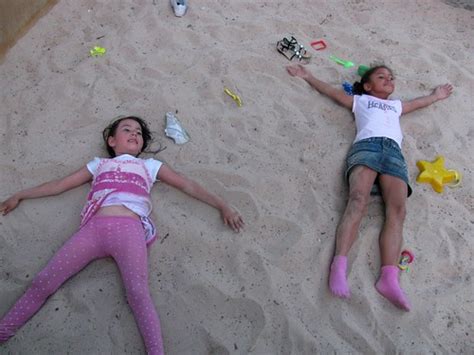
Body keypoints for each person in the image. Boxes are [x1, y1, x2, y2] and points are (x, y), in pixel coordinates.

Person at [0, 116, 244, 354]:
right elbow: (59, 185)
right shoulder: (98, 164)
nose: (134, 134)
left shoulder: (150, 166)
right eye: (127, 129)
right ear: (111, 140)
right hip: (93, 231)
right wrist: (21, 194)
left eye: (138, 132)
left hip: (130, 232)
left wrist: (222, 205)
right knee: (43, 281)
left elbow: (187, 185)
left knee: (138, 294)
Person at [287, 64, 453, 311]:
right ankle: (339, 266)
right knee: (357, 200)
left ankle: (389, 279)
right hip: (367, 147)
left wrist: (436, 96)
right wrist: (308, 76)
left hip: (394, 153)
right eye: (381, 76)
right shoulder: (361, 101)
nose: (388, 79)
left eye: (391, 77)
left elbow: (416, 103)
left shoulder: (395, 105)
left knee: (398, 211)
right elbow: (332, 93)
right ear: (367, 85)